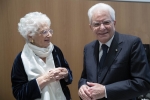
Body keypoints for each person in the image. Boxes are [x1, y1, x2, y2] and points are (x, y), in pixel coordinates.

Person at [78, 3, 150, 100]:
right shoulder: (88, 48)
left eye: (106, 22)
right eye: (96, 24)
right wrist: (82, 86)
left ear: (114, 23)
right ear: (91, 27)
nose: (102, 28)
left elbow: (143, 82)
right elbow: (85, 77)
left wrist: (106, 91)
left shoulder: (132, 43)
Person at [11, 12, 72, 100]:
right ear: (30, 36)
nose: (49, 35)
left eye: (50, 30)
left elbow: (69, 76)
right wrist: (45, 79)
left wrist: (66, 73)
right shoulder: (20, 59)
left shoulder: (55, 51)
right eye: (44, 32)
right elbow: (19, 94)